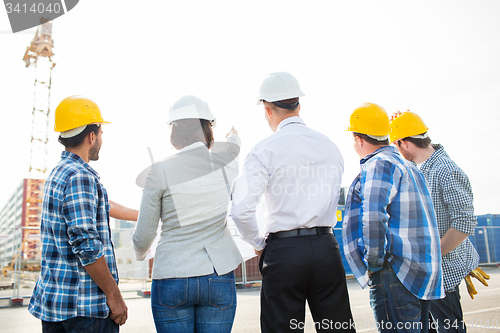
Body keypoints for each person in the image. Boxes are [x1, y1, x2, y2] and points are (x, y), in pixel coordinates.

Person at [231, 72, 355, 333]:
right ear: (299, 103)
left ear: (267, 110)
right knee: (338, 329)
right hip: (326, 248)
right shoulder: (329, 146)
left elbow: (241, 210)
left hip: (284, 252)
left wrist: (257, 244)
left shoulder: (264, 150)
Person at [132, 95, 243, 333]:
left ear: (174, 133)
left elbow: (144, 236)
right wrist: (233, 134)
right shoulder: (226, 165)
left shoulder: (158, 171)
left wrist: (140, 254)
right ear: (207, 130)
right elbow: (234, 148)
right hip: (218, 273)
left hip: (173, 273)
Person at [28, 96, 138, 332]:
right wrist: (114, 295)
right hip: (83, 311)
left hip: (57, 306)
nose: (100, 140)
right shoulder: (81, 177)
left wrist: (147, 215)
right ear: (91, 136)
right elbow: (86, 244)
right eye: (100, 134)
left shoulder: (61, 173)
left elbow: (103, 205)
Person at [343, 103, 444, 333]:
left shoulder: (378, 164)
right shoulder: (409, 166)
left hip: (395, 274)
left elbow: (373, 217)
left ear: (359, 139)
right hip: (419, 274)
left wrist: (374, 263)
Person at [390, 111, 482, 332]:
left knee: (449, 329)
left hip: (442, 272)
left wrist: (433, 255)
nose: (396, 150)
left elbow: (465, 221)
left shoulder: (445, 170)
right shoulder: (419, 170)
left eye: (396, 144)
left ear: (405, 143)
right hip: (426, 274)